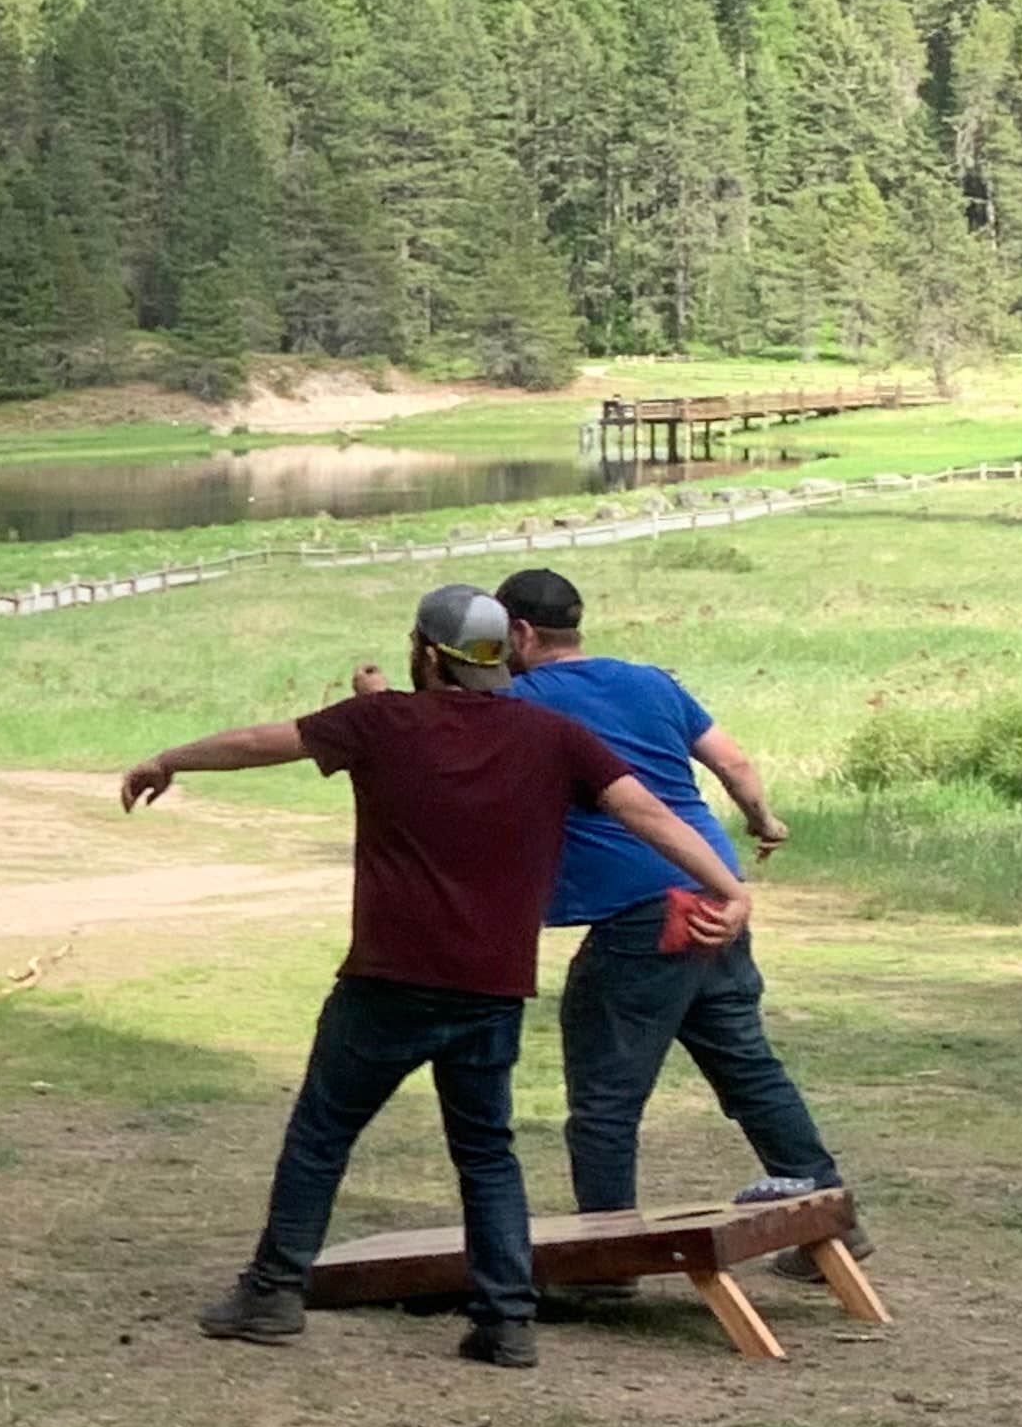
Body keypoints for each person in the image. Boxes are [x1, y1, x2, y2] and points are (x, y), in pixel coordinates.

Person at [117, 584, 754, 1369]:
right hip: (491, 988)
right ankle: (506, 1322)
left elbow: (258, 742)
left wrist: (168, 758)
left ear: (426, 653)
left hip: (387, 981)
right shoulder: (554, 736)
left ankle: (274, 1293)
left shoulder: (378, 725)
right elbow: (652, 813)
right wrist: (729, 890)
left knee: (322, 1135)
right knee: (486, 1152)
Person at [496, 566, 860, 1277]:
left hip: (642, 911)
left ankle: (608, 1261)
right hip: (713, 891)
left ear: (520, 633)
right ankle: (833, 1223)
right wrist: (765, 821)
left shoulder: (521, 698)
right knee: (747, 1064)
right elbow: (733, 759)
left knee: (605, 1093)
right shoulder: (651, 682)